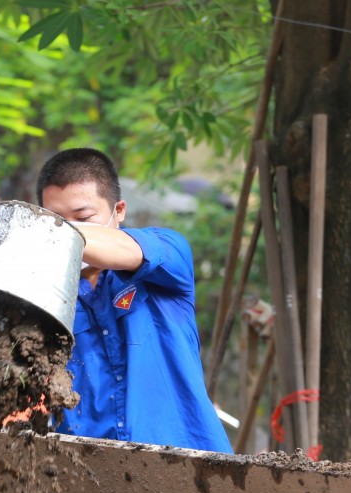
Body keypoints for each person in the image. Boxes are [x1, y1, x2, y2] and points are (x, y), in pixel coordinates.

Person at [35, 147, 231, 453]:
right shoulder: (43, 294)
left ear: (119, 210)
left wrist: (51, 233)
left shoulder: (168, 252)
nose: (66, 232)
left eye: (83, 218)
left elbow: (124, 251)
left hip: (189, 466)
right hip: (86, 474)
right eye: (54, 221)